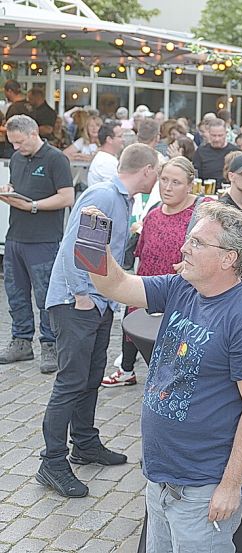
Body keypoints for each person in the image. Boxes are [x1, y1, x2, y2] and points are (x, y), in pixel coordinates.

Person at [87, 201, 242, 550]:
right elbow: (115, 285)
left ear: (228, 258)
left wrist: (231, 485)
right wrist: (93, 243)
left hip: (203, 490)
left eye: (198, 243)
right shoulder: (181, 287)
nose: (184, 247)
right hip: (159, 479)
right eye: (189, 239)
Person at [39, 144, 161, 498]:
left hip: (99, 302)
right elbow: (77, 244)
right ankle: (52, 461)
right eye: (158, 173)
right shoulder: (105, 194)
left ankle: (85, 444)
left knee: (90, 377)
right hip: (77, 302)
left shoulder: (121, 199)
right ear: (148, 170)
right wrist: (81, 294)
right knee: (70, 381)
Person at [103, 157, 211, 388]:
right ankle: (133, 373)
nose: (168, 187)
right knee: (146, 346)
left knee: (177, 359)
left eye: (176, 182)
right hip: (148, 294)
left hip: (183, 297)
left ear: (190, 185)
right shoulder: (153, 213)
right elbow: (143, 256)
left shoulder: (204, 211)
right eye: (164, 180)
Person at [0, 115, 75, 373]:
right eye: (12, 143)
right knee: (16, 293)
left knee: (46, 295)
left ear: (33, 134)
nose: (15, 148)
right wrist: (9, 188)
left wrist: (33, 206)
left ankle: (49, 343)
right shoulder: (18, 158)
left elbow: (67, 197)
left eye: (19, 142)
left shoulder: (56, 159)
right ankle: (21, 341)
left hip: (44, 239)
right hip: (15, 237)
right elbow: (19, 183)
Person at [192, 117, 239, 183]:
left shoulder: (235, 152)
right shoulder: (200, 152)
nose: (217, 139)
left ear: (226, 133)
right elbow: (195, 176)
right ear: (209, 133)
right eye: (214, 135)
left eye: (220, 135)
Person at [86, 121, 125, 187]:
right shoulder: (106, 162)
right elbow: (119, 190)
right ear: (109, 139)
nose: (123, 139)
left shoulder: (106, 158)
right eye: (120, 136)